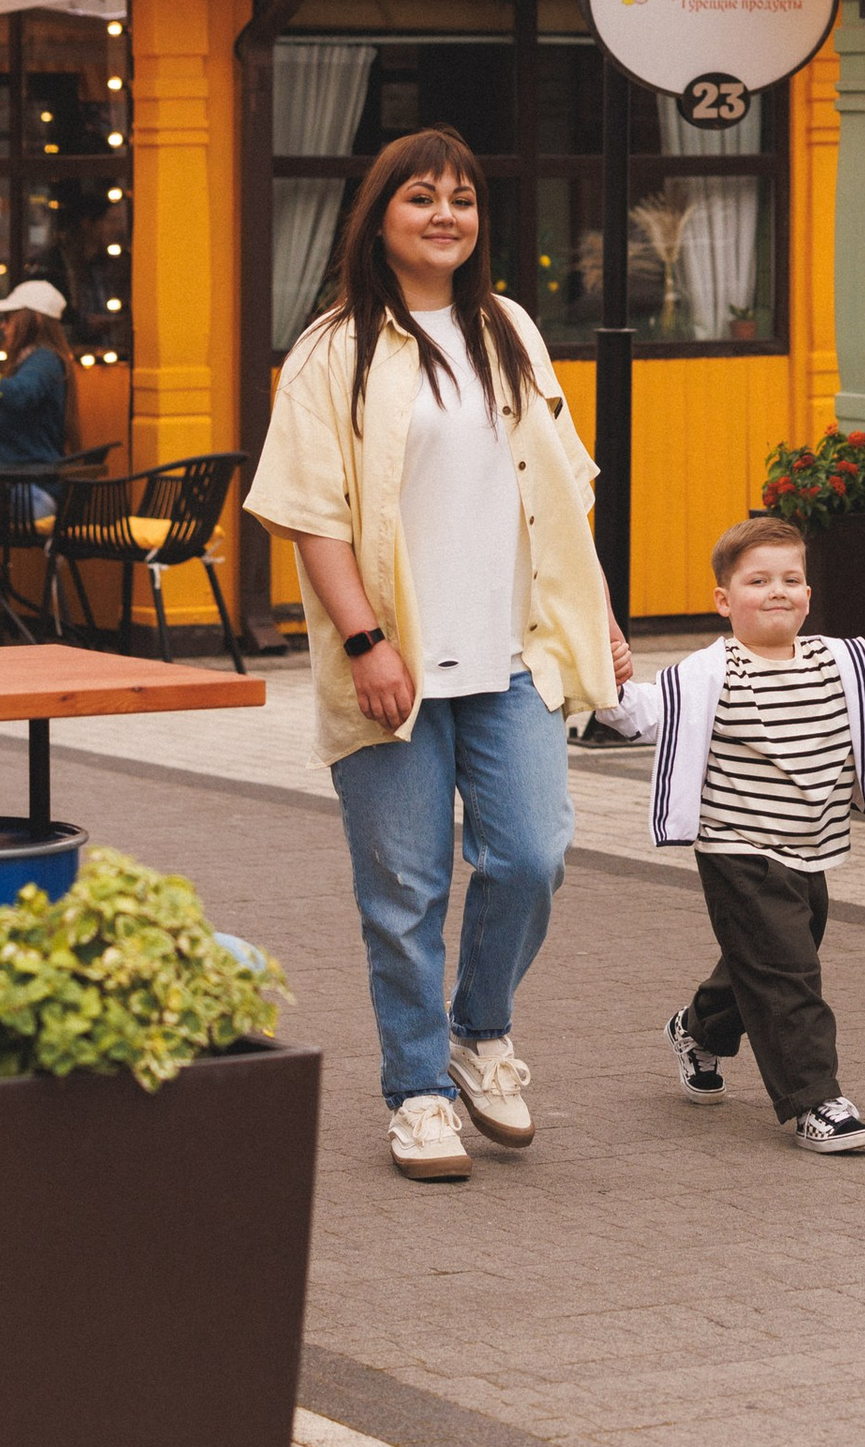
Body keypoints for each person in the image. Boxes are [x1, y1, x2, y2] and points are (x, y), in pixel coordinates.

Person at [246, 128, 629, 1184]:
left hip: (511, 655)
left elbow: (559, 486)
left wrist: (593, 613)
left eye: (462, 198)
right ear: (379, 218)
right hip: (396, 667)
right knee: (405, 891)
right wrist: (364, 639)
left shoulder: (507, 327)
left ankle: (480, 1032)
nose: (447, 215)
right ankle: (416, 1091)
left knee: (534, 853)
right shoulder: (334, 349)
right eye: (422, 198)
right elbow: (308, 514)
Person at [593, 510, 865, 1155]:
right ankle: (815, 1100)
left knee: (768, 960)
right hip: (736, 847)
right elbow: (635, 714)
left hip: (812, 847)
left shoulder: (845, 662)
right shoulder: (706, 676)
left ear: (808, 595)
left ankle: (697, 1030)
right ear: (723, 600)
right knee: (787, 972)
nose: (777, 590)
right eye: (757, 581)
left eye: (791, 579)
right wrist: (604, 677)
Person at [0, 280, 74, 502]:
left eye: (8, 318)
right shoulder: (37, 360)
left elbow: (19, 394)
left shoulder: (45, 359)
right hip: (22, 486)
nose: (2, 325)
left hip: (31, 490)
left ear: (35, 319)